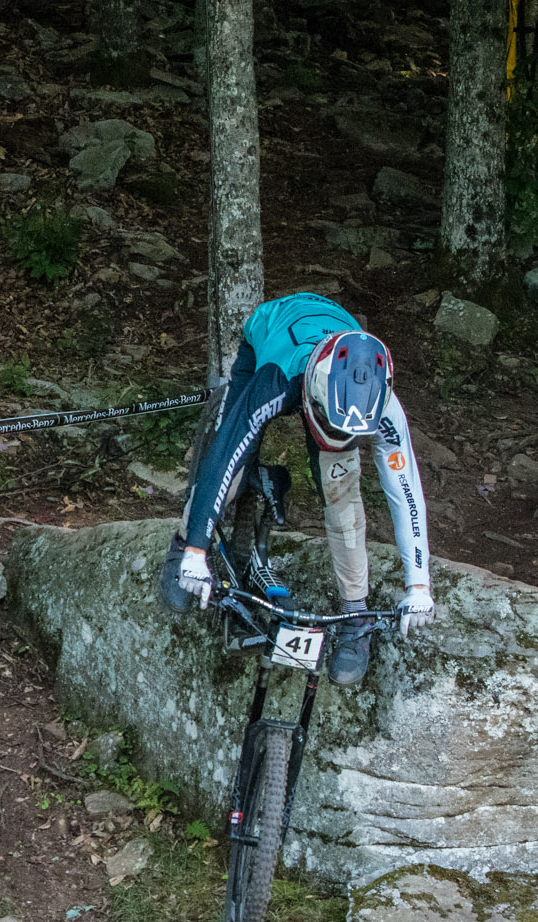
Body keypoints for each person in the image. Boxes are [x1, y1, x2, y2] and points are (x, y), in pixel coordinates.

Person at [160, 292, 435, 683]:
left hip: (333, 344)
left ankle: (355, 620)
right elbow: (224, 454)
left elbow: (405, 492)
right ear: (313, 398)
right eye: (330, 423)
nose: (337, 436)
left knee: (342, 495)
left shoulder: (385, 405)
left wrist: (419, 586)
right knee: (233, 467)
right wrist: (195, 551)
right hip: (273, 335)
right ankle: (182, 542)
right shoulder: (275, 378)